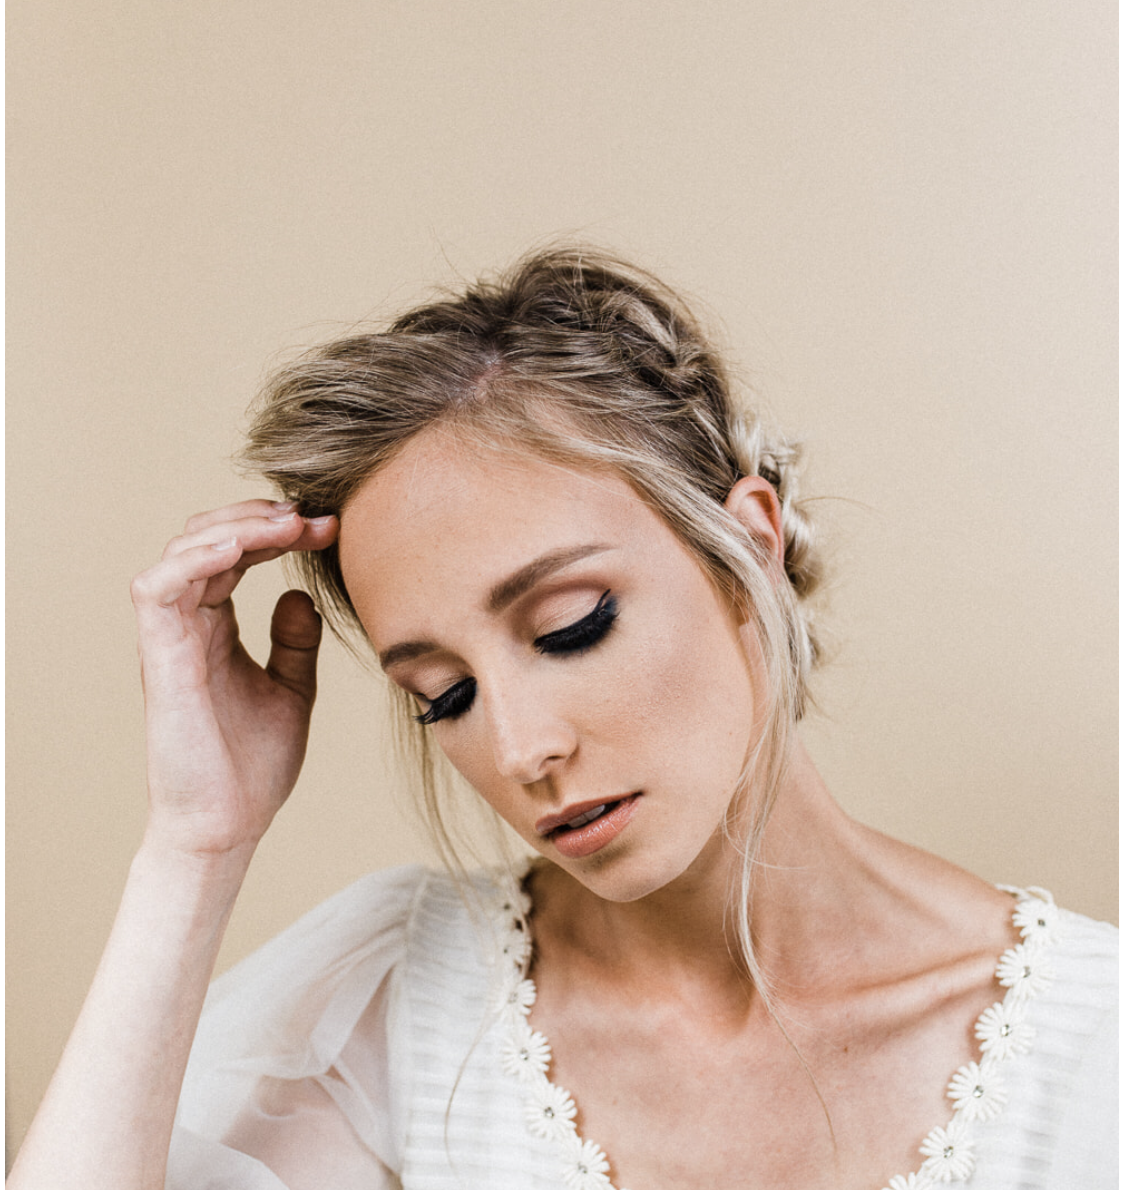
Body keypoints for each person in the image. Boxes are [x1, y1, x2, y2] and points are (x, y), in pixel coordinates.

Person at [9, 248, 1116, 1190]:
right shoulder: (400, 1007)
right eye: (442, 694)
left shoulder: (1091, 1053)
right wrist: (196, 844)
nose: (520, 748)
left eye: (572, 626)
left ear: (749, 549)